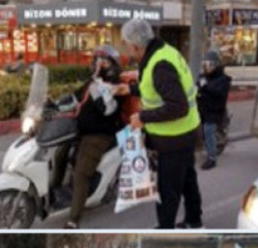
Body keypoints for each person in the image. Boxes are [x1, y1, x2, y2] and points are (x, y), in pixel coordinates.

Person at [115, 19, 204, 229]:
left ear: (136, 45)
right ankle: (195, 221)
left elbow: (177, 106)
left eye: (127, 45)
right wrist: (130, 90)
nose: (127, 50)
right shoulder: (161, 52)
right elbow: (154, 88)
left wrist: (143, 117)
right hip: (186, 132)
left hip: (175, 138)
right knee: (187, 180)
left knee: (168, 189)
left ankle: (165, 231)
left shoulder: (160, 65)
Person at [51, 46, 125, 229]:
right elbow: (75, 98)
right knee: (59, 155)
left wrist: (98, 89)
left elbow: (108, 110)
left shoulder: (115, 85)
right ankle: (54, 193)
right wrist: (54, 104)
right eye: (96, 60)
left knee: (81, 173)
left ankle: (74, 219)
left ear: (113, 65)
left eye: (103, 61)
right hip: (79, 130)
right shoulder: (93, 81)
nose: (97, 64)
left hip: (98, 135)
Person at [197, 50, 232, 170]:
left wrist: (205, 86)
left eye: (209, 64)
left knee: (207, 131)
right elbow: (196, 88)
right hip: (202, 109)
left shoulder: (223, 79)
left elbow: (218, 93)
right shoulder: (204, 77)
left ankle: (212, 158)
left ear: (216, 65)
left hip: (214, 111)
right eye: (205, 65)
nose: (206, 67)